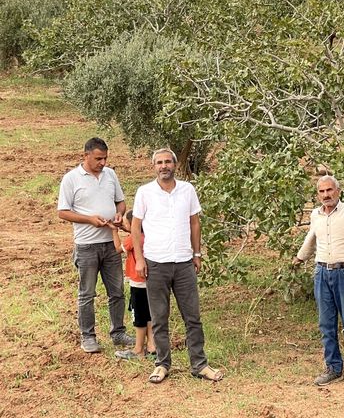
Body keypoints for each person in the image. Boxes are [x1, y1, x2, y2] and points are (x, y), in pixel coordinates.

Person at [132, 148, 223, 383]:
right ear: (154, 167)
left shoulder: (187, 190)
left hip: (183, 262)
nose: (164, 166)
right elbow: (135, 227)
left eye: (168, 162)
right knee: (160, 318)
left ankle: (199, 364)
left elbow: (194, 223)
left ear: (174, 164)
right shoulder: (145, 192)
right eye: (159, 162)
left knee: (192, 317)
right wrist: (140, 259)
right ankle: (162, 364)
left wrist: (197, 253)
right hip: (155, 263)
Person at [293, 175, 344, 387]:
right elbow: (311, 237)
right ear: (318, 194)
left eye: (330, 190)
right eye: (322, 191)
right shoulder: (316, 214)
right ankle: (333, 368)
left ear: (338, 191)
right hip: (322, 273)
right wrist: (300, 258)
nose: (326, 195)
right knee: (326, 324)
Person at [58, 137, 134, 353]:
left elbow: (120, 201)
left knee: (117, 291)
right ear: (86, 155)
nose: (103, 163)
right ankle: (88, 336)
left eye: (105, 158)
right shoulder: (71, 179)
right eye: (98, 158)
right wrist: (89, 219)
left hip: (111, 243)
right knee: (87, 293)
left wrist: (119, 214)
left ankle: (118, 332)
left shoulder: (110, 175)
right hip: (87, 245)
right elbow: (62, 212)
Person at [112, 210, 156, 360]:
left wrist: (113, 231)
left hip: (137, 282)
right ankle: (152, 345)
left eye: (125, 223)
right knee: (150, 314)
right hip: (150, 281)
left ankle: (138, 349)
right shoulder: (149, 236)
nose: (123, 225)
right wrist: (127, 228)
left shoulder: (133, 239)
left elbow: (118, 248)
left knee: (139, 316)